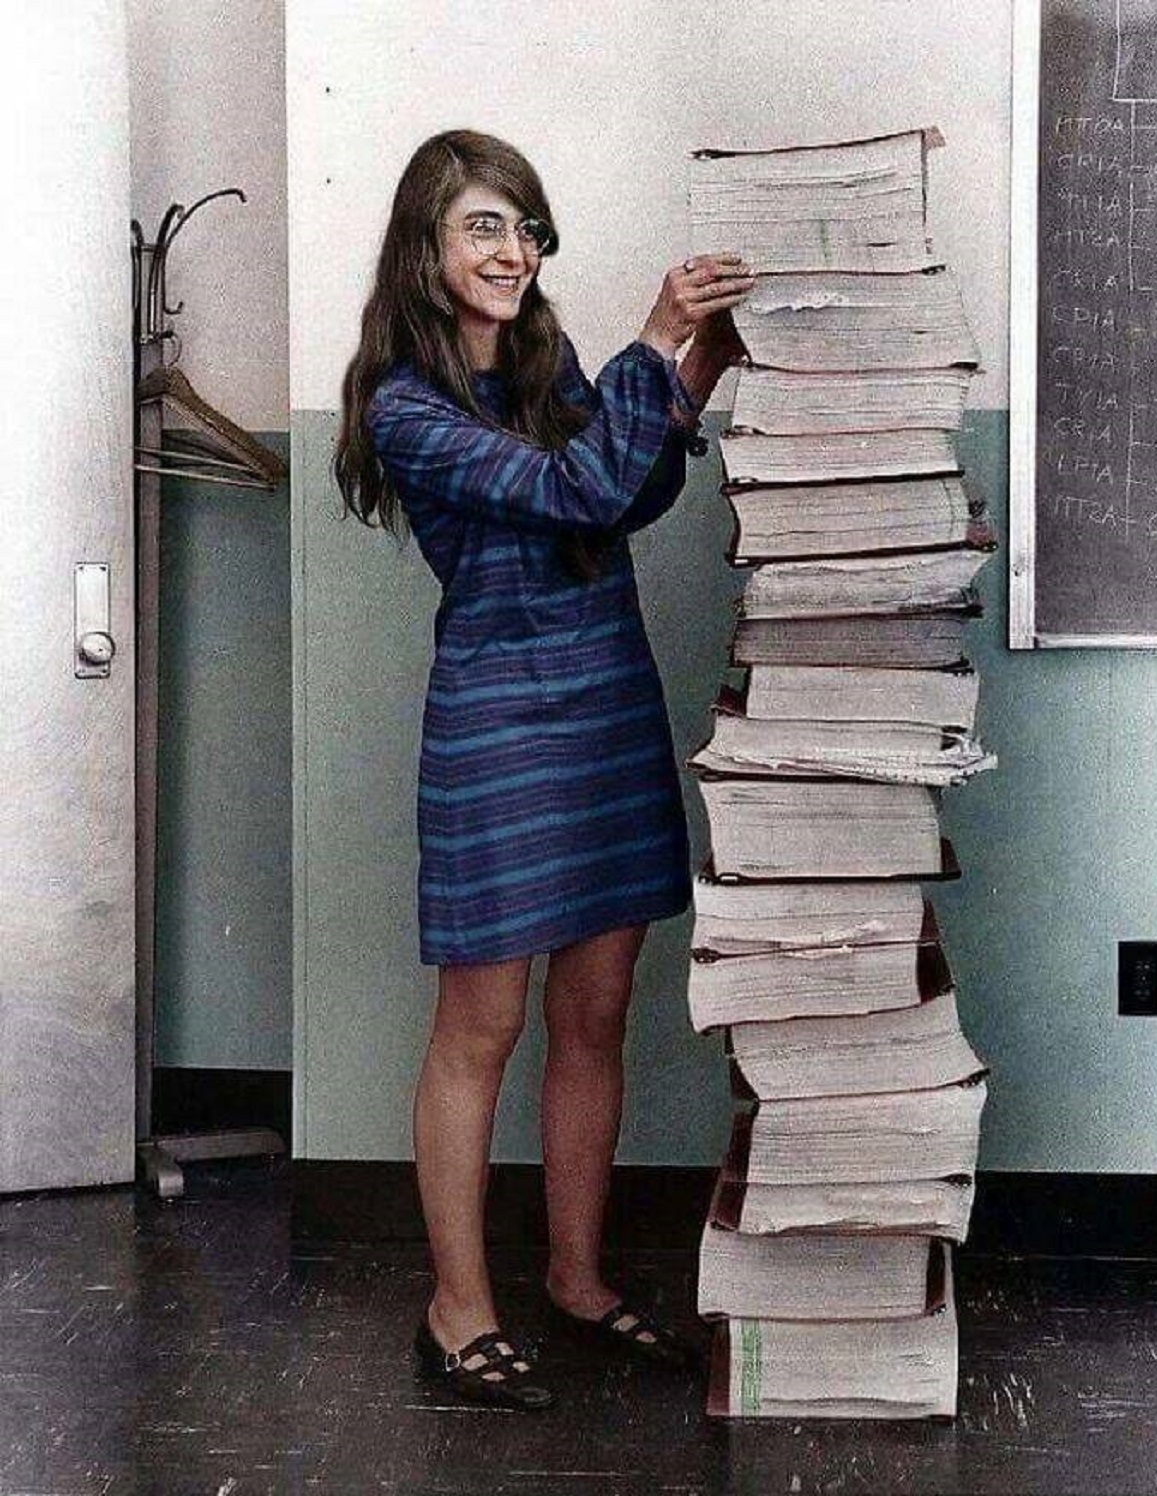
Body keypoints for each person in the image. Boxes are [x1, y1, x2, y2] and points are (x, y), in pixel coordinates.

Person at [334, 128, 753, 1411]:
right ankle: (456, 1309)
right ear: (427, 242)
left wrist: (699, 365)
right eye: (484, 227)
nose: (514, 251)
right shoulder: (403, 403)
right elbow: (573, 486)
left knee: (596, 1005)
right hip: (500, 712)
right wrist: (656, 337)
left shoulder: (543, 356)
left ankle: (573, 1276)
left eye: (525, 228)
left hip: (603, 694)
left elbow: (619, 494)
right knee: (485, 1021)